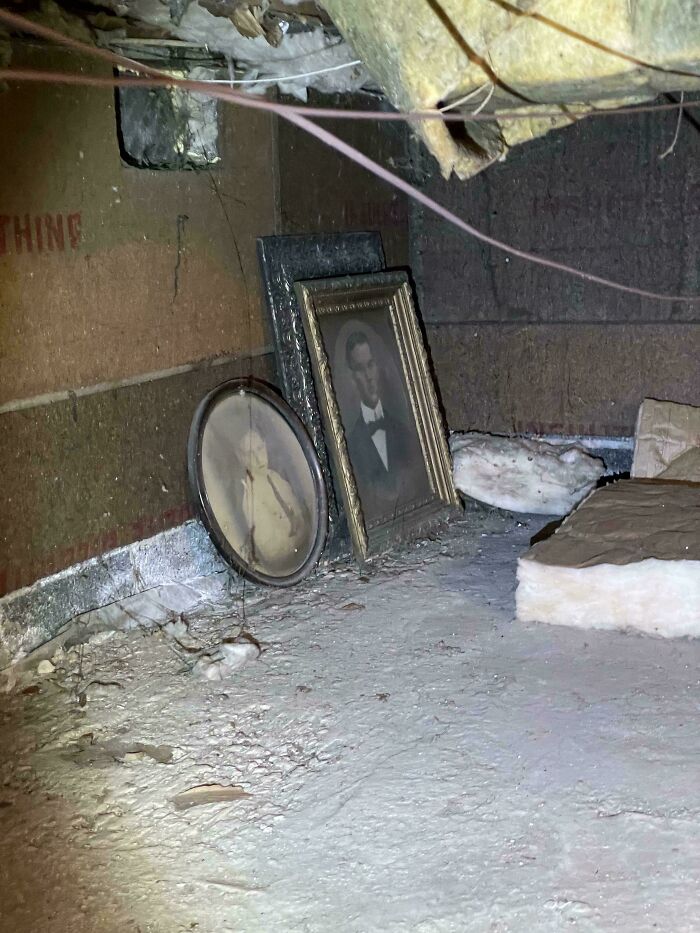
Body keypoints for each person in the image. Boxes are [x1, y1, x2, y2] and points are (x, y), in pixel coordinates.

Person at [344, 330, 428, 517]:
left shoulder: (403, 431)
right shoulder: (349, 446)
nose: (369, 376)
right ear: (352, 378)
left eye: (371, 365)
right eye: (360, 369)